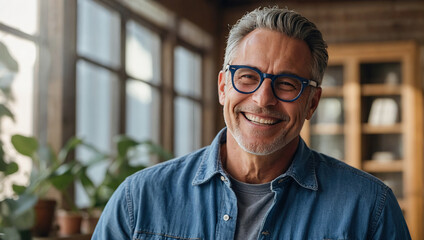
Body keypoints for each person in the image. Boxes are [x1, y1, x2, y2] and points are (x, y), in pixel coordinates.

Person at [92, 7, 410, 240]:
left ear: (312, 102)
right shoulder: (139, 199)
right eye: (247, 77)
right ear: (222, 87)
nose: (262, 99)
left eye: (286, 84)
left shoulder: (370, 209)